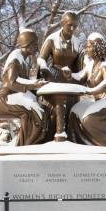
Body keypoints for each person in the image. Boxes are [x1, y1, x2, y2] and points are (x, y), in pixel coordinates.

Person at [67, 33, 106, 146]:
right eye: (87, 46)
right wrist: (69, 75)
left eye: (89, 46)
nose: (87, 49)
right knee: (74, 112)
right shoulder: (90, 65)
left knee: (88, 118)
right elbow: (80, 78)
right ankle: (80, 142)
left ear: (97, 47)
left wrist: (91, 91)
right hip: (98, 100)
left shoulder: (105, 65)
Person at [0, 29, 48, 145]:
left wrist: (36, 85)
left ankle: (31, 142)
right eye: (34, 44)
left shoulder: (22, 59)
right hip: (5, 100)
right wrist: (33, 85)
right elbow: (11, 83)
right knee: (32, 111)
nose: (36, 47)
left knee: (42, 109)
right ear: (27, 44)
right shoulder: (15, 60)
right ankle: (25, 144)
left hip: (13, 97)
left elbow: (22, 81)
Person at [37, 11, 84, 141]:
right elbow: (41, 58)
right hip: (53, 75)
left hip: (69, 79)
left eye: (75, 25)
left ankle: (70, 137)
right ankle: (49, 136)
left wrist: (74, 74)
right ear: (63, 23)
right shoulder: (52, 39)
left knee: (71, 106)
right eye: (70, 25)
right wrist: (44, 68)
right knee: (54, 107)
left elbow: (81, 66)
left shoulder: (78, 42)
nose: (73, 28)